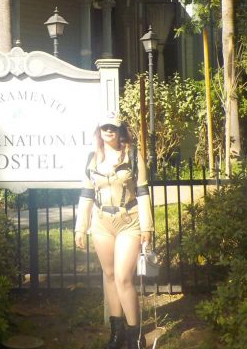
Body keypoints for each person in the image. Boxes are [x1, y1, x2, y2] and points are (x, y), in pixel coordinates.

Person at [74, 111, 154, 349]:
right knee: (109, 276)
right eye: (104, 127)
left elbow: (142, 191)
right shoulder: (92, 159)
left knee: (123, 278)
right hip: (101, 223)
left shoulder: (133, 156)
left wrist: (147, 227)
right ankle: (117, 334)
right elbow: (87, 194)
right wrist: (81, 227)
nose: (109, 131)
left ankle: (135, 336)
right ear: (99, 132)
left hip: (129, 221)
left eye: (113, 127)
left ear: (120, 131)